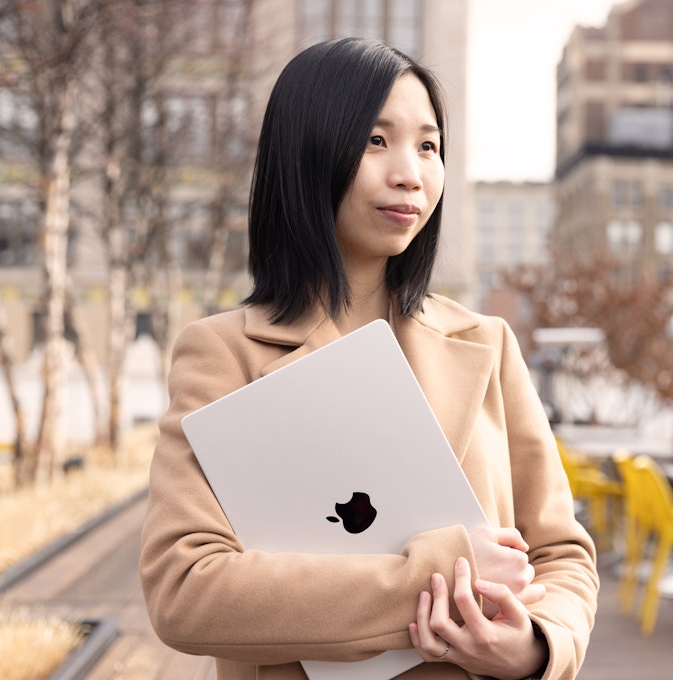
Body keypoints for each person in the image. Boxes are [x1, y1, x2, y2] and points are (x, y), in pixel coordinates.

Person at [140, 37, 598, 680]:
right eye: (375, 141)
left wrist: (536, 648)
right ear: (307, 154)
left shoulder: (487, 344)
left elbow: (561, 554)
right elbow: (185, 591)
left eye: (429, 145)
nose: (411, 171)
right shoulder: (223, 353)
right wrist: (430, 576)